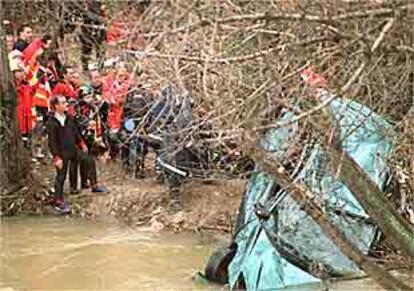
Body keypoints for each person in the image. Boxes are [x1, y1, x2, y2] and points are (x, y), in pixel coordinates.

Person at [47, 95, 88, 214]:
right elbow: (52, 142)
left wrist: (82, 143)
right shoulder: (51, 122)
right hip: (61, 153)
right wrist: (56, 157)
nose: (67, 105)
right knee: (61, 176)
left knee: (87, 160)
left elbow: (76, 132)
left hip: (73, 149)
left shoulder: (69, 118)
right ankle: (58, 201)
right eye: (64, 103)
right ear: (56, 106)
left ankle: (91, 185)